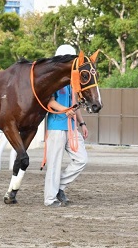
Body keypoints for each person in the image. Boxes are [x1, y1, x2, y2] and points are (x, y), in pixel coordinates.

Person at [44, 44, 89, 207]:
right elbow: (49, 101)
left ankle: (59, 187)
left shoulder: (72, 81)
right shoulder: (52, 80)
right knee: (54, 164)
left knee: (81, 159)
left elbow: (74, 103)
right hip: (56, 126)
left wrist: (82, 123)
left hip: (71, 127)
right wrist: (65, 110)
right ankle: (50, 199)